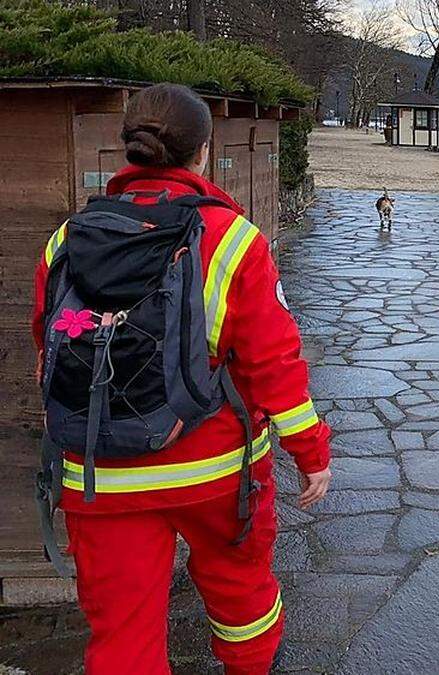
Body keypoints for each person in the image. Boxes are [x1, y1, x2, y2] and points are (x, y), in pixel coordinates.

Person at [30, 83, 332, 674]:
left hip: (102, 473)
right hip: (216, 472)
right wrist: (311, 451)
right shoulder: (233, 240)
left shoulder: (67, 239)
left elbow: (50, 345)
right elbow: (274, 363)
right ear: (202, 151)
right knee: (242, 595)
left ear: (129, 151)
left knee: (121, 632)